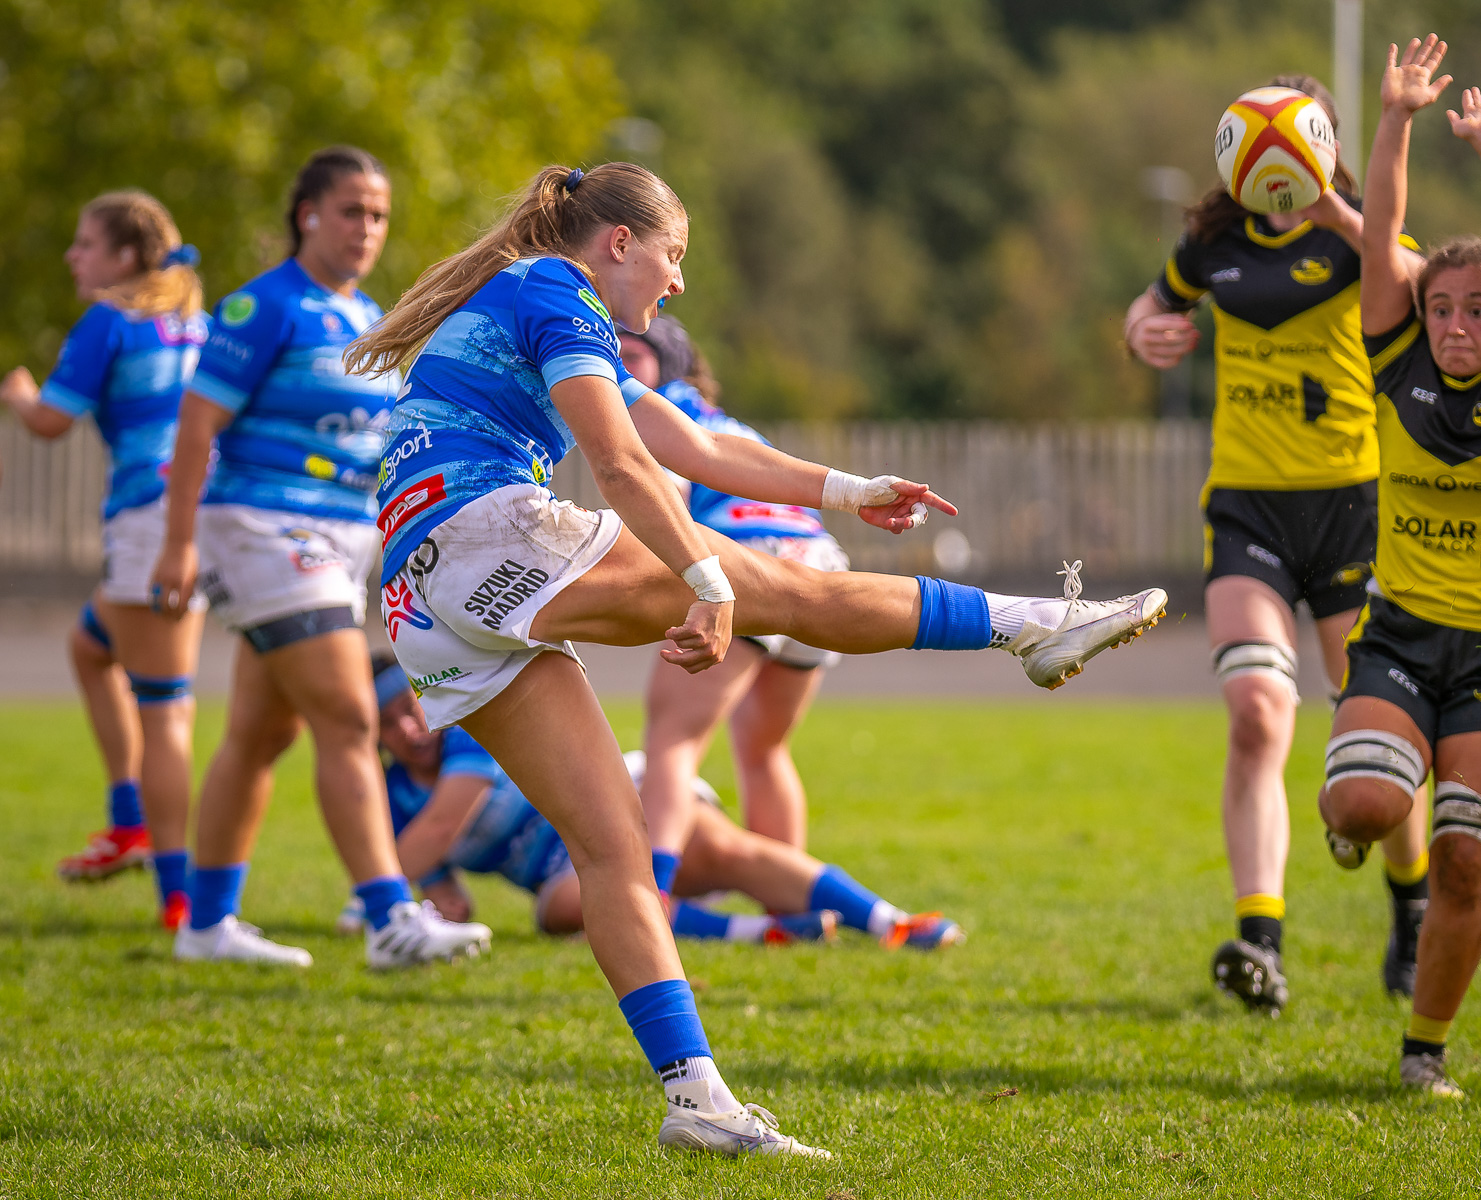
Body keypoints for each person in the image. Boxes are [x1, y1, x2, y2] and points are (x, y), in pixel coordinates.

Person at [335, 161, 1164, 1157]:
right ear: (619, 244)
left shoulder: (528, 294)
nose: (677, 281)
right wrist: (707, 581)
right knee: (787, 591)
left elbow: (689, 441)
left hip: (426, 594)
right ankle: (1031, 625)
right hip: (480, 533)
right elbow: (624, 467)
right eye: (673, 255)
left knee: (617, 851)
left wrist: (852, 491)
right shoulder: (558, 288)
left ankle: (700, 1103)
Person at [1123, 75, 1432, 1012]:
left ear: (1325, 144)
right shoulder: (1210, 246)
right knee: (1260, 711)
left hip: (1351, 508)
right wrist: (1143, 331)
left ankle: (1412, 910)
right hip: (1248, 510)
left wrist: (1343, 211)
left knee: (1374, 735)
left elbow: (1425, 291)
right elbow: (1150, 304)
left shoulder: (1357, 244)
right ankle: (1262, 941)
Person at [1318, 36, 1481, 1098]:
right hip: (1400, 637)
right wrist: (1396, 120)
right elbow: (1380, 235)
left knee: (1466, 860)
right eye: (1442, 306)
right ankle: (1358, 805)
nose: (1457, 323)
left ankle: (1423, 1053)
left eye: (1479, 308)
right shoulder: (1396, 367)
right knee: (1371, 812)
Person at [150, 146, 491, 968]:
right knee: (347, 715)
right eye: (350, 210)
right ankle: (388, 918)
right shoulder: (262, 307)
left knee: (260, 736)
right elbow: (196, 430)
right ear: (307, 214)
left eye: (378, 214)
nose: (367, 228)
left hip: (341, 545)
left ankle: (207, 926)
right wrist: (178, 545)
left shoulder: (367, 313)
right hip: (265, 530)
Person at [619, 318, 965, 950]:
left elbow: (660, 504)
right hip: (820, 565)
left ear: (667, 364)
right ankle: (795, 905)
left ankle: (655, 897)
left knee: (672, 740)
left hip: (752, 567)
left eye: (629, 353)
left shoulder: (653, 415)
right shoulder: (729, 422)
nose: (614, 359)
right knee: (763, 749)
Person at [359, 657, 961, 951]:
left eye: (411, 708)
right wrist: (433, 911)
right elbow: (446, 894)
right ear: (376, 739)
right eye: (388, 723)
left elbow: (440, 829)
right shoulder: (395, 798)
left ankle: (892, 922)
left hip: (625, 797)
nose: (409, 729)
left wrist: (369, 897)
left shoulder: (468, 731)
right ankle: (761, 932)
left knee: (728, 850)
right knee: (566, 907)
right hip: (566, 871)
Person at [1, 191, 208, 929]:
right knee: (89, 648)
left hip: (155, 523)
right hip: (194, 515)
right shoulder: (192, 320)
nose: (71, 255)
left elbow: (52, 422)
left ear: (123, 257)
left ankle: (179, 898)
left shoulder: (109, 321)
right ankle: (129, 823)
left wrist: (19, 394)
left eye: (84, 243)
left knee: (166, 707)